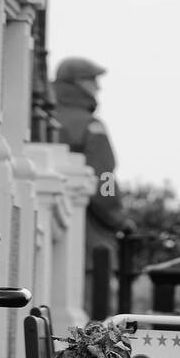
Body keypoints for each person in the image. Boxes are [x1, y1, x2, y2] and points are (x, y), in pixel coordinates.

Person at [52, 56, 131, 317]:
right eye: (94, 81)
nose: (98, 88)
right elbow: (104, 180)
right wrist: (118, 217)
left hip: (47, 233)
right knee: (92, 320)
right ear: (79, 84)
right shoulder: (91, 126)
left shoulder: (44, 120)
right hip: (90, 240)